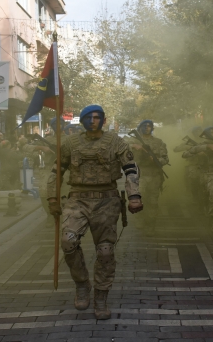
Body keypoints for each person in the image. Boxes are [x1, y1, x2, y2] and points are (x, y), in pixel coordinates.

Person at [46, 104, 143, 320]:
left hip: (106, 201)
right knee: (68, 242)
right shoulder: (70, 143)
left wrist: (134, 195)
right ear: (82, 121)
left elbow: (130, 168)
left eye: (98, 117)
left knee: (105, 251)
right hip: (77, 199)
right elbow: (57, 170)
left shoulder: (115, 142)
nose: (93, 121)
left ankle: (101, 295)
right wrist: (52, 197)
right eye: (89, 117)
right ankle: (82, 284)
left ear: (104, 120)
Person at [127, 119, 168, 236]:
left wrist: (156, 160)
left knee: (153, 202)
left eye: (149, 126)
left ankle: (151, 225)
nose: (147, 128)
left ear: (152, 128)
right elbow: (121, 147)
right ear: (140, 128)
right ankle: (140, 219)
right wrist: (134, 146)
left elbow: (165, 159)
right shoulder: (134, 140)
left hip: (154, 175)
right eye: (144, 126)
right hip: (139, 174)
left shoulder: (158, 142)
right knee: (139, 198)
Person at [176, 126, 208, 212]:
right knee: (194, 181)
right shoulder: (189, 142)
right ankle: (195, 197)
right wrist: (189, 148)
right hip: (193, 165)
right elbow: (176, 149)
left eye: (200, 130)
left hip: (206, 166)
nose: (199, 132)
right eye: (197, 131)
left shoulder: (206, 141)